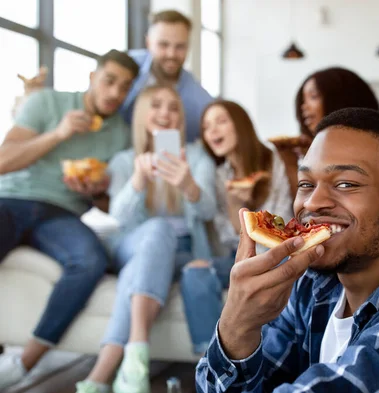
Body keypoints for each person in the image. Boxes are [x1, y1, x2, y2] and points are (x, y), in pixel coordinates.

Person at [195, 107, 379, 392]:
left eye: (346, 184)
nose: (312, 203)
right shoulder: (309, 289)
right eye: (305, 183)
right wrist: (237, 327)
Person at [0, 50, 139, 389]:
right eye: (109, 81)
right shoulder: (47, 102)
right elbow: (3, 160)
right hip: (11, 199)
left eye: (124, 88)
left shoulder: (120, 132)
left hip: (62, 213)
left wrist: (96, 191)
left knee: (89, 259)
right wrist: (58, 135)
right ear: (92, 77)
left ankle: (23, 363)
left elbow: (112, 207)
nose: (114, 94)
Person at [75, 85, 222, 393]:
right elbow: (119, 220)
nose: (165, 113)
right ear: (142, 114)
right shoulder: (125, 161)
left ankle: (101, 377)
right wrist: (138, 183)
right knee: (157, 231)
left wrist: (188, 186)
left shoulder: (196, 157)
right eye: (156, 105)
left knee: (141, 267)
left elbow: (209, 209)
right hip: (134, 246)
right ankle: (136, 351)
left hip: (182, 252)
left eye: (173, 108)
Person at [188, 99, 293, 290]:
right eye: (206, 127)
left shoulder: (273, 161)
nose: (212, 131)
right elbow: (229, 240)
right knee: (194, 274)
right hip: (238, 258)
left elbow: (282, 225)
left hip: (276, 255)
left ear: (240, 124)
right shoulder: (221, 177)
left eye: (220, 121)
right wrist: (234, 205)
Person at [274, 67, 379, 196]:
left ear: (341, 100)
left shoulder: (372, 153)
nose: (304, 107)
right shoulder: (303, 154)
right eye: (303, 100)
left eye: (313, 97)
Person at [120, 9, 213, 143]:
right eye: (163, 45)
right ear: (148, 43)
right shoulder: (124, 67)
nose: (171, 54)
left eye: (180, 46)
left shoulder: (200, 100)